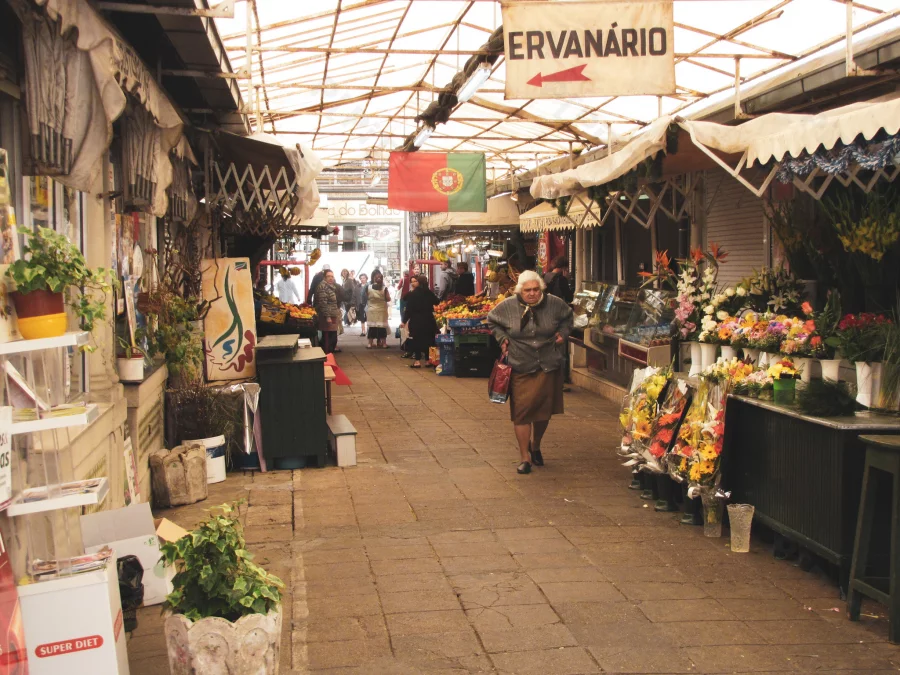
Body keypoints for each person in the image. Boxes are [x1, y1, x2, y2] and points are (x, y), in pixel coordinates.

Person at [487, 270, 573, 475]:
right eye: (527, 291)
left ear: (541, 289)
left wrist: (563, 334)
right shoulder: (507, 306)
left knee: (543, 412)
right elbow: (492, 320)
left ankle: (536, 445)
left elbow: (568, 318)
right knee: (522, 412)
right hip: (521, 365)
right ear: (520, 291)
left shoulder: (555, 304)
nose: (532, 293)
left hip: (547, 365)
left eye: (536, 290)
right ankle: (524, 457)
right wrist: (502, 339)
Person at [401, 274, 439, 368]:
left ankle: (417, 361)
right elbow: (437, 301)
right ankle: (428, 360)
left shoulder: (413, 294)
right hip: (428, 320)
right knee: (429, 340)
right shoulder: (429, 293)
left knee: (417, 340)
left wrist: (404, 321)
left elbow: (408, 309)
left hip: (416, 320)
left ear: (418, 283)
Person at [314, 269, 342, 354]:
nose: (330, 278)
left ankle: (329, 355)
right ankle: (327, 356)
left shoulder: (330, 286)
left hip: (332, 315)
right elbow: (323, 303)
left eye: (332, 276)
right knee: (328, 339)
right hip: (326, 317)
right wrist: (327, 317)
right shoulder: (323, 287)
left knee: (332, 338)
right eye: (328, 276)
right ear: (324, 277)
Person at [365, 270, 391, 349]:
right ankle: (384, 344)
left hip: (371, 310)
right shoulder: (384, 288)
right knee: (382, 327)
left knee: (372, 327)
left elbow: (366, 297)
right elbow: (388, 299)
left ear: (374, 279)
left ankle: (370, 344)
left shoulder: (369, 287)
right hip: (381, 310)